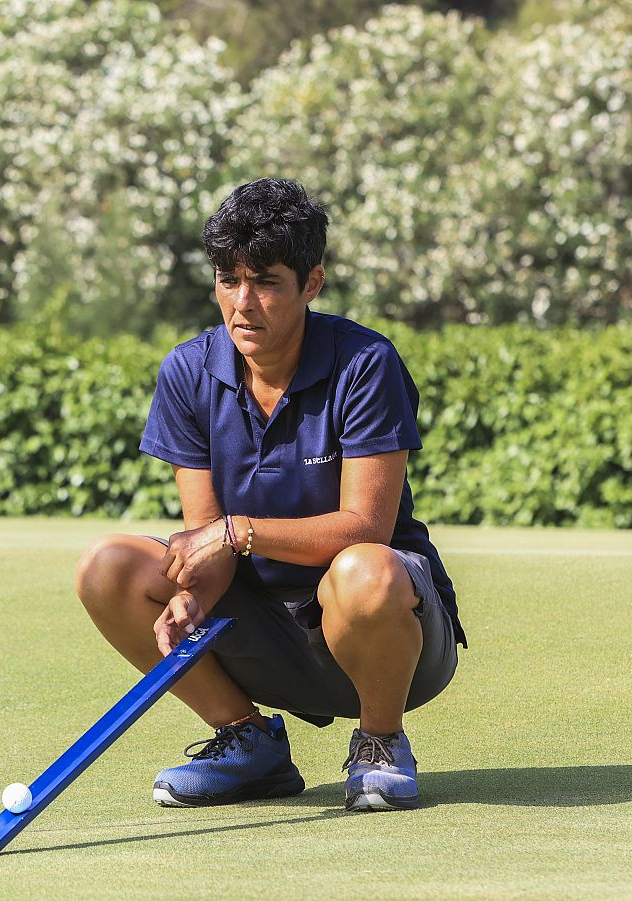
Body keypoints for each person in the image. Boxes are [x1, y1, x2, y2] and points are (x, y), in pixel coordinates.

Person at [75, 178, 465, 812]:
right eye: (229, 279)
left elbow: (365, 527)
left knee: (363, 569)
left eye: (266, 282)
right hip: (258, 626)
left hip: (384, 634)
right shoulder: (187, 370)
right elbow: (206, 543)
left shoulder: (367, 363)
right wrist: (192, 598)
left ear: (311, 283)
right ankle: (247, 741)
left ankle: (379, 743)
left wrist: (237, 531)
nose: (242, 304)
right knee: (107, 566)